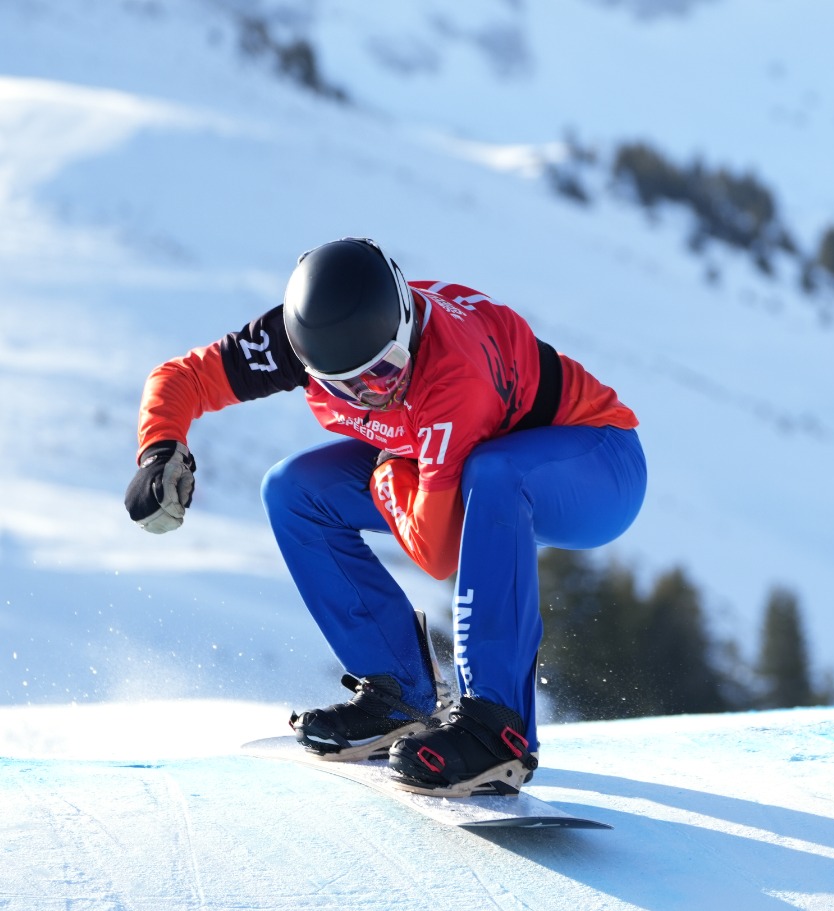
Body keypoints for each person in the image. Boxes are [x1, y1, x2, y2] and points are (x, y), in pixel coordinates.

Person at [124, 237, 645, 796]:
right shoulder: (292, 340)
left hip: (595, 464)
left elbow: (441, 550)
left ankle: (499, 731)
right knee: (292, 490)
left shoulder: (452, 374)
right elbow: (185, 377)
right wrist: (160, 447)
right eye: (341, 385)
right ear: (303, 361)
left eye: (384, 370)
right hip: (446, 460)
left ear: (406, 329)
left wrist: (388, 473)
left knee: (493, 474)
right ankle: (399, 692)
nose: (371, 395)